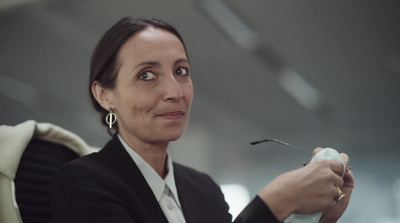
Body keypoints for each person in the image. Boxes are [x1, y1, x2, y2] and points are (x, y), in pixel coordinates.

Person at [50, 17, 355, 223]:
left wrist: (314, 217)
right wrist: (276, 202)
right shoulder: (81, 183)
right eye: (146, 75)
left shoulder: (203, 189)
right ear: (105, 95)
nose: (174, 91)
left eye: (181, 71)